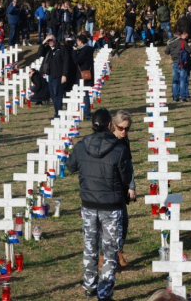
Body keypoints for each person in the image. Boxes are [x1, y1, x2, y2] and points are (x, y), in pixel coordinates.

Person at [67, 108, 132, 301]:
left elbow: (70, 167)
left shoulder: (80, 146)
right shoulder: (119, 150)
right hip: (111, 206)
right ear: (110, 126)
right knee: (110, 249)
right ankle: (104, 292)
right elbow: (126, 177)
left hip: (88, 204)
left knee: (90, 247)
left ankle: (89, 286)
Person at [110, 110, 136, 269]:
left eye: (127, 129)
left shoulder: (125, 141)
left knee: (123, 222)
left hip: (122, 187)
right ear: (113, 125)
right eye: (121, 128)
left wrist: (132, 186)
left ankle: (119, 252)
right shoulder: (108, 141)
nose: (124, 132)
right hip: (109, 187)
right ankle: (103, 256)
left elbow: (129, 164)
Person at [39, 34, 68, 118]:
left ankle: (58, 114)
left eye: (51, 40)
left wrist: (64, 75)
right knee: (53, 95)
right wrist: (44, 41)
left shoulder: (61, 49)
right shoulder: (48, 50)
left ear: (55, 40)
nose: (50, 42)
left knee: (57, 95)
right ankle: (57, 112)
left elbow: (66, 62)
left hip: (59, 75)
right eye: (48, 41)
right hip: (51, 75)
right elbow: (39, 52)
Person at [165, 32, 191, 102]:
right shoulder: (182, 42)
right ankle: (183, 97)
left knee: (175, 80)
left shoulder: (170, 42)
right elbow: (189, 51)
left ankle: (175, 96)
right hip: (182, 62)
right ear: (180, 35)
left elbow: (166, 52)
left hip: (174, 62)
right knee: (182, 80)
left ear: (173, 35)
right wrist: (190, 46)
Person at [72, 34, 94, 119]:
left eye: (77, 41)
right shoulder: (86, 49)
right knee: (83, 94)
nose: (77, 43)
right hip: (83, 73)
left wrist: (74, 52)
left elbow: (77, 60)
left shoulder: (85, 50)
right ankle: (84, 112)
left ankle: (87, 113)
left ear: (80, 41)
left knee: (84, 94)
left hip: (83, 74)